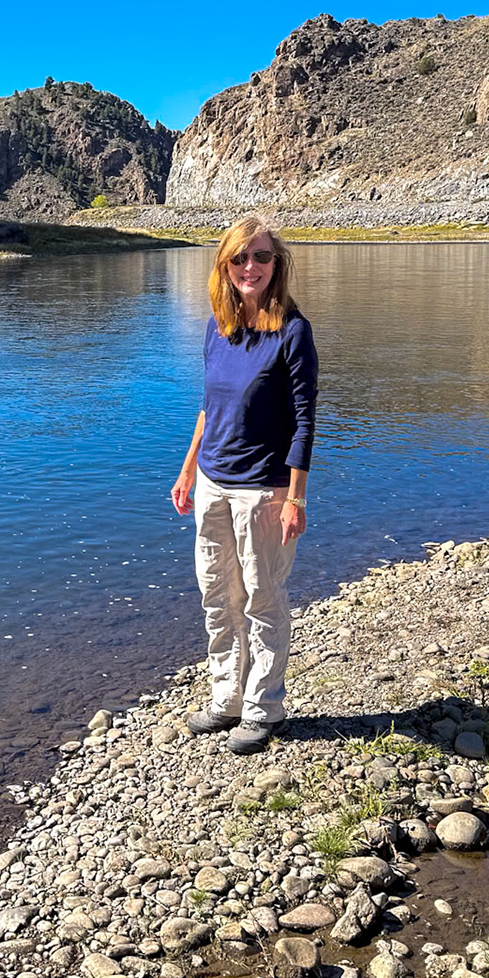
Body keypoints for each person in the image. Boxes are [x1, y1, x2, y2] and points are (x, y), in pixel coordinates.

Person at [169, 215, 318, 756]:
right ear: (224, 265)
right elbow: (210, 408)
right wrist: (188, 471)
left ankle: (262, 708)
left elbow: (304, 420)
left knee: (262, 598)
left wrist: (295, 497)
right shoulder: (218, 325)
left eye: (260, 257)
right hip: (212, 482)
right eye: (239, 258)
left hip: (265, 491)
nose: (249, 267)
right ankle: (226, 698)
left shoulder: (293, 332)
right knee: (217, 596)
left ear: (276, 265)